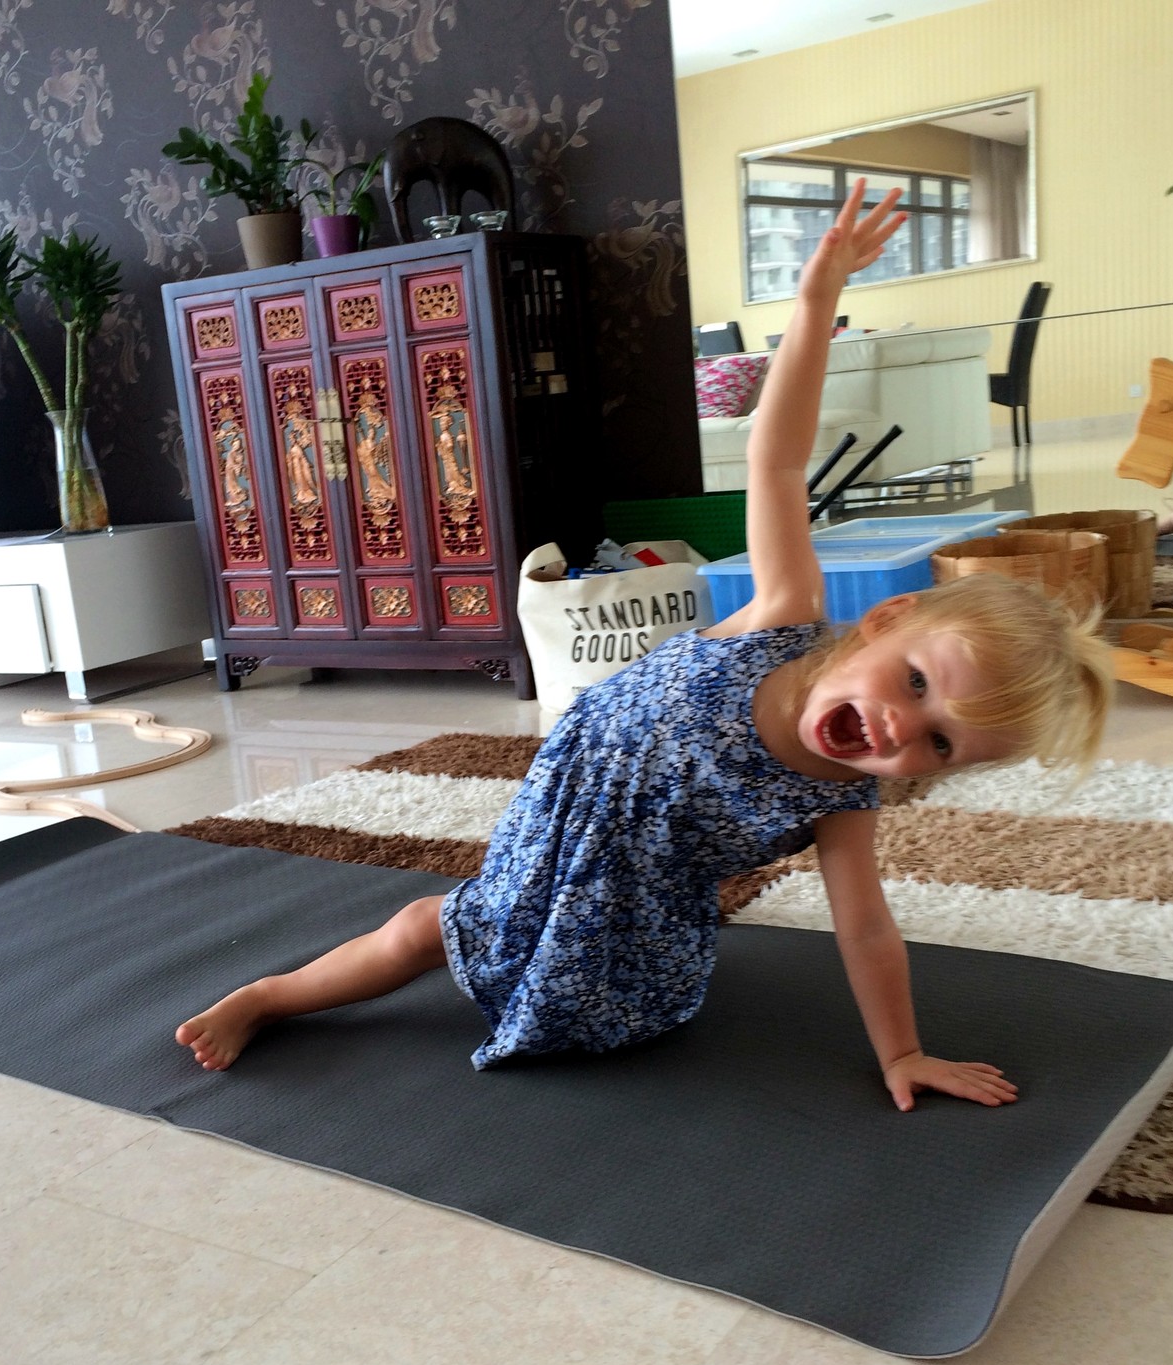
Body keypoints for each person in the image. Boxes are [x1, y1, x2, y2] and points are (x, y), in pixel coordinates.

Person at [176, 181, 1113, 1110]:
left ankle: (559, 972)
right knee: (431, 929)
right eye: (913, 683)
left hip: (639, 908)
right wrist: (815, 303)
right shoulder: (784, 615)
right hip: (566, 804)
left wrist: (904, 1053)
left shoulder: (841, 800)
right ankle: (270, 996)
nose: (901, 728)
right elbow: (778, 460)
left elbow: (865, 929)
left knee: (606, 1023)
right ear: (885, 619)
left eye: (940, 742)